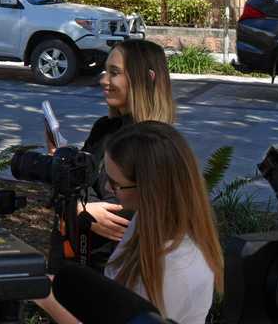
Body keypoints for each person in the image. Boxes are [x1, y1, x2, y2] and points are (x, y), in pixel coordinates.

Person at [35, 122, 223, 324]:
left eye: (116, 184)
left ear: (149, 189)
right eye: (107, 177)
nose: (107, 186)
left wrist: (43, 293)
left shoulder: (176, 268)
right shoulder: (145, 219)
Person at [51, 39, 176, 272]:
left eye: (115, 73)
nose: (104, 80)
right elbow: (80, 184)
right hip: (73, 259)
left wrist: (79, 207)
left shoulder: (154, 144)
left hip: (112, 271)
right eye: (105, 71)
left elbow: (120, 216)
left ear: (147, 79)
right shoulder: (104, 128)